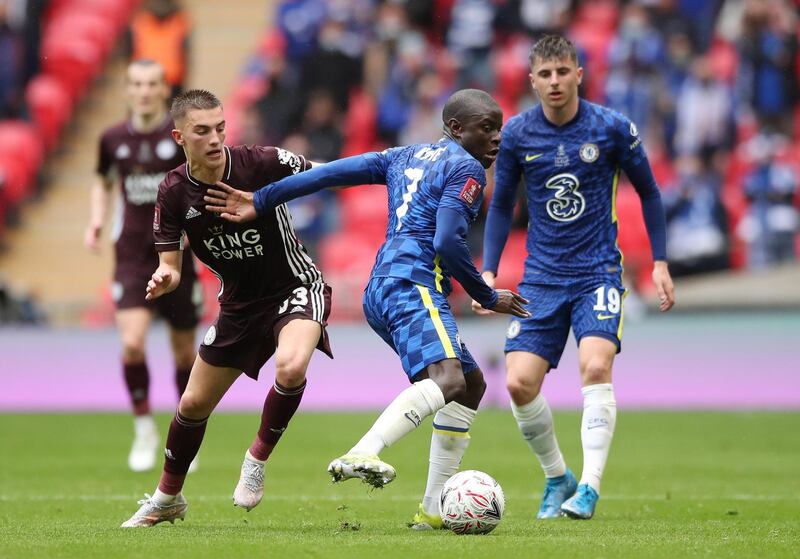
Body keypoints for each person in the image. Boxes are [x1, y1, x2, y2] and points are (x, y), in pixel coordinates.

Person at [204, 88, 530, 529]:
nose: (496, 139)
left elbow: (331, 174)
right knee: (449, 379)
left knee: (470, 385)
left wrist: (262, 199)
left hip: (381, 287)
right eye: (487, 129)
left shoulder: (403, 155)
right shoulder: (466, 167)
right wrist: (489, 296)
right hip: (413, 284)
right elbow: (447, 242)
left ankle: (432, 512)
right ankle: (365, 451)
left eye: (500, 129)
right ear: (455, 129)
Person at [476, 36, 675, 520]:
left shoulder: (611, 129)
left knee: (595, 367)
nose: (555, 82)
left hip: (597, 273)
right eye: (545, 75)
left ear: (579, 73)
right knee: (520, 384)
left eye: (563, 72)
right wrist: (487, 270)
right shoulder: (518, 135)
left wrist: (661, 262)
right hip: (542, 278)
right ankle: (557, 477)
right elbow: (501, 204)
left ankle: (588, 487)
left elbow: (648, 192)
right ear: (532, 81)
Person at [121, 89, 333, 527]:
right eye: (202, 131)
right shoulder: (174, 192)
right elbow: (171, 265)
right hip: (238, 306)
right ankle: (167, 498)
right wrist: (166, 277)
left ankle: (256, 458)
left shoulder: (261, 163)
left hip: (296, 286)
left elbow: (326, 174)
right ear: (180, 136)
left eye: (220, 127)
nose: (215, 139)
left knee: (291, 367)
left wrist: (389, 169)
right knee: (193, 403)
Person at [84, 60, 201, 473]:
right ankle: (144, 429)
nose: (145, 91)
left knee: (185, 351)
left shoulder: (182, 137)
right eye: (136, 84)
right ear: (127, 89)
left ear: (164, 87)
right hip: (133, 255)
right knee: (132, 343)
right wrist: (97, 219)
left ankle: (184, 431)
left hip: (178, 254)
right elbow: (102, 180)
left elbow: (202, 179)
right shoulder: (112, 138)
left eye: (152, 83)